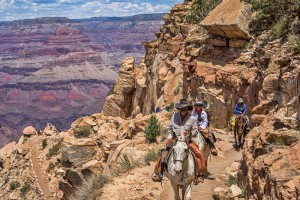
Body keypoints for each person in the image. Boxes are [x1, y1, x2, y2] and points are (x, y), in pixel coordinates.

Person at [152, 99, 207, 184]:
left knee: (199, 154)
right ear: (179, 109)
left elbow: (196, 131)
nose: (183, 110)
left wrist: (189, 133)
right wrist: (170, 137)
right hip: (175, 140)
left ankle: (199, 174)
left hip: (187, 141)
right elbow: (169, 128)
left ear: (187, 108)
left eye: (184, 108)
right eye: (181, 108)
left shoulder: (192, 119)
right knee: (163, 154)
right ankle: (158, 173)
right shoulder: (174, 116)